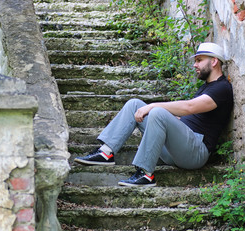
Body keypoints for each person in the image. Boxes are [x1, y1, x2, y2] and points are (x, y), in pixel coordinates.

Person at [74, 42, 234, 187]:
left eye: (199, 60)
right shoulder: (206, 87)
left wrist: (153, 106)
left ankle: (145, 174)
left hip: (195, 153)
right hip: (177, 149)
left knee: (157, 112)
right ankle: (105, 152)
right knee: (134, 104)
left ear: (213, 61)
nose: (194, 65)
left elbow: (189, 107)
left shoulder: (222, 89)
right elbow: (188, 117)